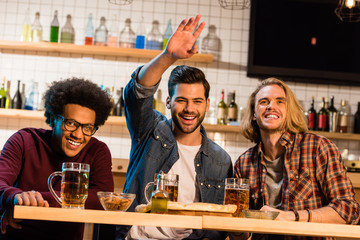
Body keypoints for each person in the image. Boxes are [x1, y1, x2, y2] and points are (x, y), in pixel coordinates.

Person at [122, 14, 232, 239]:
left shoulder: (220, 159)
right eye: (181, 100)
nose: (189, 109)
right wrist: (167, 56)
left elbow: (217, 228)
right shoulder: (149, 130)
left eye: (197, 101)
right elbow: (138, 93)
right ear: (169, 102)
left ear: (207, 105)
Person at [233, 77, 360, 239]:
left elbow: (349, 210)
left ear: (289, 111)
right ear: (253, 115)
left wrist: (291, 217)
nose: (271, 106)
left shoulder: (318, 148)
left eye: (280, 101)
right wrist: (235, 228)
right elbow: (242, 232)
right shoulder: (244, 163)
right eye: (264, 102)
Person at [0, 78, 114, 240]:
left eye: (87, 127)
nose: (78, 134)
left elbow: (102, 199)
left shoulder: (97, 151)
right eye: (71, 123)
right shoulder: (24, 140)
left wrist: (30, 202)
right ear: (54, 118)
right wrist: (15, 197)